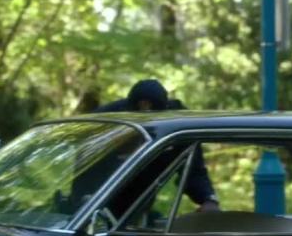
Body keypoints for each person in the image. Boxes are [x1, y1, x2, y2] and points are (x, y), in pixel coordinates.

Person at [94, 79, 220, 212]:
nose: (145, 111)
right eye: (140, 110)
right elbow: (88, 164)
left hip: (139, 204)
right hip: (101, 200)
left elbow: (192, 167)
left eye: (151, 110)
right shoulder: (109, 119)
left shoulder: (177, 123)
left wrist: (208, 198)